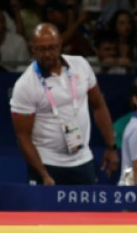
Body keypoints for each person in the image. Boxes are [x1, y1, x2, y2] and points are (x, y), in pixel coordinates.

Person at [8, 22, 119, 185]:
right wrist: (43, 174)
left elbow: (99, 105)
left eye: (52, 48)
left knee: (87, 211)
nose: (47, 54)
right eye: (41, 49)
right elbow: (23, 137)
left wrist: (111, 147)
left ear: (60, 45)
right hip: (47, 163)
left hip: (83, 160)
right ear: (33, 49)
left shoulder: (81, 65)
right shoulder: (25, 85)